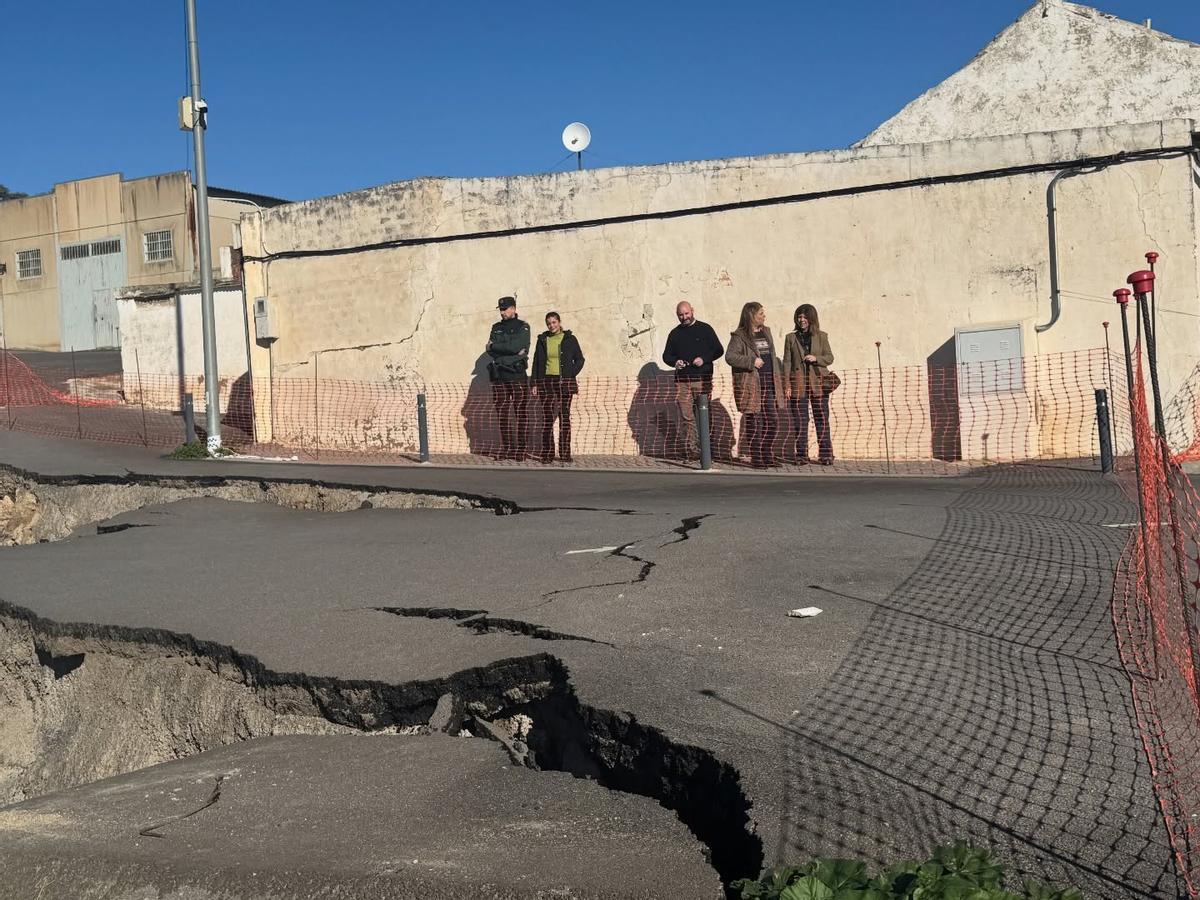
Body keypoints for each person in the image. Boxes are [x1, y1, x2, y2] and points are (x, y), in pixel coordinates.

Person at [661, 301, 724, 459]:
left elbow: (718, 349)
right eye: (680, 315)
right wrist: (675, 362)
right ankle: (693, 450)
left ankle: (708, 449)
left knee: (704, 414)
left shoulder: (705, 329)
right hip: (682, 381)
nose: (684, 317)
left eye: (686, 314)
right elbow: (666, 356)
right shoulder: (674, 334)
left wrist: (704, 359)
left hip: (702, 379)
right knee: (686, 416)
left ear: (692, 311)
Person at [726, 301, 785, 468]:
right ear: (751, 315)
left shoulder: (767, 332)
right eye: (760, 313)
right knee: (754, 421)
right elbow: (730, 357)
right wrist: (752, 361)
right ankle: (756, 457)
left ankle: (767, 453)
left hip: (769, 383)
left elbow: (772, 356)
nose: (764, 316)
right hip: (751, 385)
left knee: (772, 420)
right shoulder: (739, 336)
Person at [782, 302, 835, 465]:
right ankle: (801, 455)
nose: (802, 320)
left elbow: (830, 357)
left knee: (821, 418)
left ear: (812, 318)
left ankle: (826, 455)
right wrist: (787, 385)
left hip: (818, 383)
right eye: (799, 316)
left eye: (805, 317)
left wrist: (816, 358)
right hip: (798, 384)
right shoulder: (790, 338)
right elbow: (787, 363)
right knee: (800, 420)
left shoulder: (822, 336)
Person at [531, 311, 585, 463]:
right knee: (547, 418)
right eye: (548, 323)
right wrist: (534, 383)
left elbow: (580, 360)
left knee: (564, 417)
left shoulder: (570, 339)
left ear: (559, 322)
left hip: (564, 383)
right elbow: (536, 362)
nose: (551, 325)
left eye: (554, 322)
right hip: (546, 382)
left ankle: (565, 454)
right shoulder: (542, 339)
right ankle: (547, 454)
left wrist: (570, 374)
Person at [486, 296, 531, 459]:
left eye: (505, 309)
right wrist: (510, 351)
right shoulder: (496, 327)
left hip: (517, 374)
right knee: (502, 413)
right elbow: (489, 350)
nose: (502, 312)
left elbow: (518, 346)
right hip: (499, 375)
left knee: (520, 413)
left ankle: (521, 450)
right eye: (501, 309)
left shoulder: (523, 327)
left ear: (513, 308)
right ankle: (508, 448)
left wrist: (499, 348)